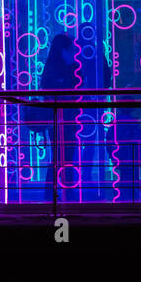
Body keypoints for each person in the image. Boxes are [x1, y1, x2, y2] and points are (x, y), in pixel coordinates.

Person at [37, 33, 80, 198]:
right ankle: (57, 191)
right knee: (61, 155)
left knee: (65, 155)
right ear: (63, 49)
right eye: (70, 48)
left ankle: (59, 190)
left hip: (64, 117)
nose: (73, 50)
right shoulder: (61, 68)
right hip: (61, 118)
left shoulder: (62, 66)